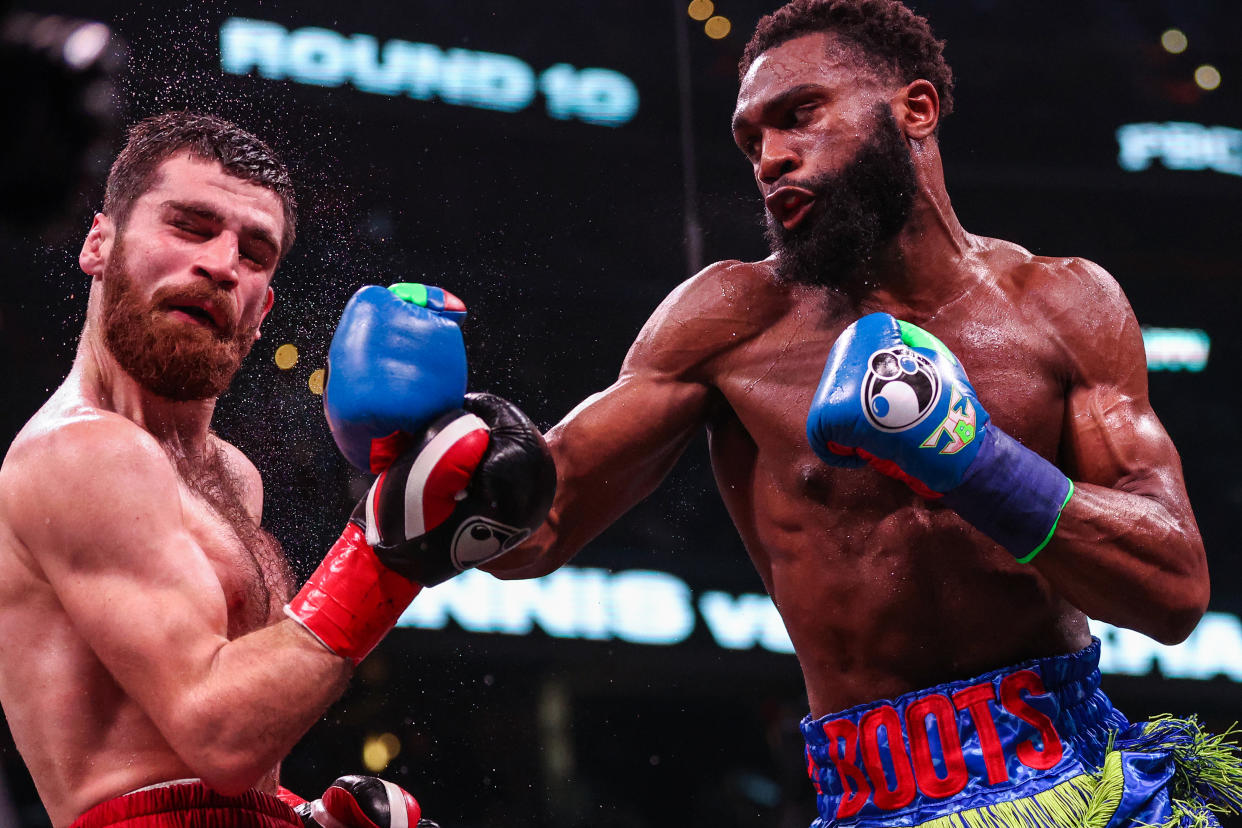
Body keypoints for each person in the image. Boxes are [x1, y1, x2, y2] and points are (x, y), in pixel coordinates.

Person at [483, 1, 1242, 825]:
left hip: (1084, 776)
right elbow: (537, 529)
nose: (771, 158)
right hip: (875, 799)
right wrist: (441, 459)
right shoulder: (730, 317)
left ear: (916, 109)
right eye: (751, 141)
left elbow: (1174, 589)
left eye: (800, 115)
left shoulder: (1063, 303)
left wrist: (972, 459)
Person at [0, 111, 555, 828]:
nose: (222, 263)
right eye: (191, 227)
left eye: (254, 252)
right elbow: (218, 735)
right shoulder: (77, 452)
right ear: (99, 244)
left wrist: (298, 815)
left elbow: (215, 764)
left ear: (263, 310)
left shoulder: (231, 475)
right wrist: (390, 553)